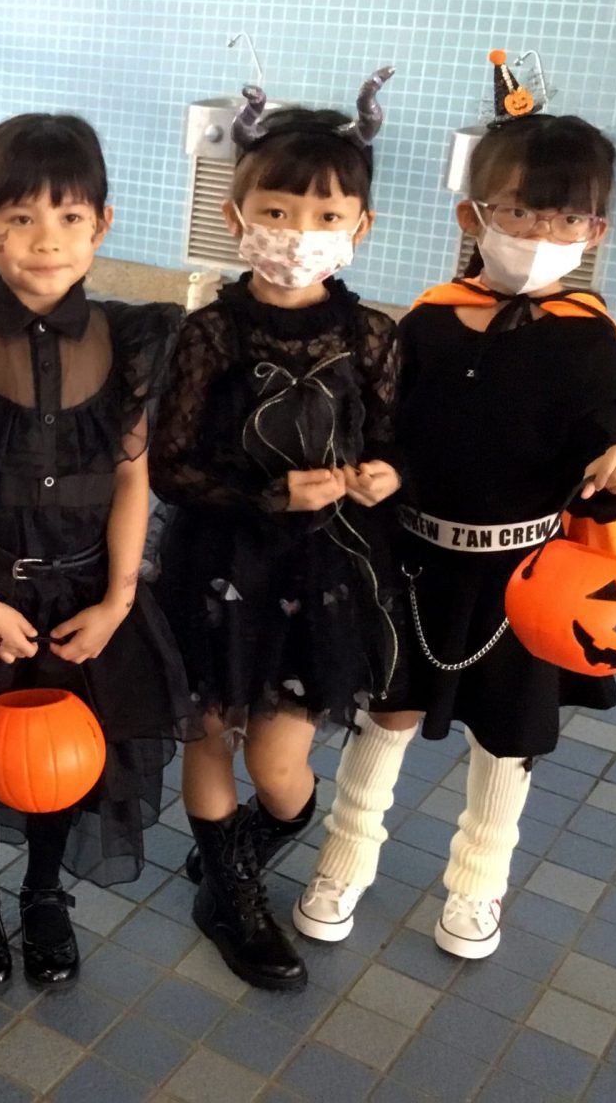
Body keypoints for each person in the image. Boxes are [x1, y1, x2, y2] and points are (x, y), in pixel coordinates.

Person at [295, 100, 616, 962]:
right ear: (474, 215)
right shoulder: (426, 322)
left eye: (568, 218)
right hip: (416, 562)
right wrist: (380, 473)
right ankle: (344, 864)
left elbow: (602, 468)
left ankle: (479, 884)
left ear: (595, 231)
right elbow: (389, 432)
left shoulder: (591, 341)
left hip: (528, 581)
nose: (543, 233)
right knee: (384, 716)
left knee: (507, 738)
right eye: (522, 211)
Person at [0, 113, 196, 990]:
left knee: (69, 753)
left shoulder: (133, 338)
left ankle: (41, 891)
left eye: (69, 217)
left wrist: (117, 600)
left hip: (84, 601)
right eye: (21, 217)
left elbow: (134, 478)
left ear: (102, 225)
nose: (45, 241)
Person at [152, 70, 405, 990]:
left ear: (359, 227)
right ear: (237, 217)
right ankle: (228, 892)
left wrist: (384, 474)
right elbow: (170, 466)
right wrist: (268, 496)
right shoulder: (210, 335)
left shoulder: (372, 335)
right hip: (218, 563)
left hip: (320, 575)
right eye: (278, 211)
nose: (300, 233)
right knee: (210, 730)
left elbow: (388, 441)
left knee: (281, 762)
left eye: (326, 216)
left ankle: (251, 841)